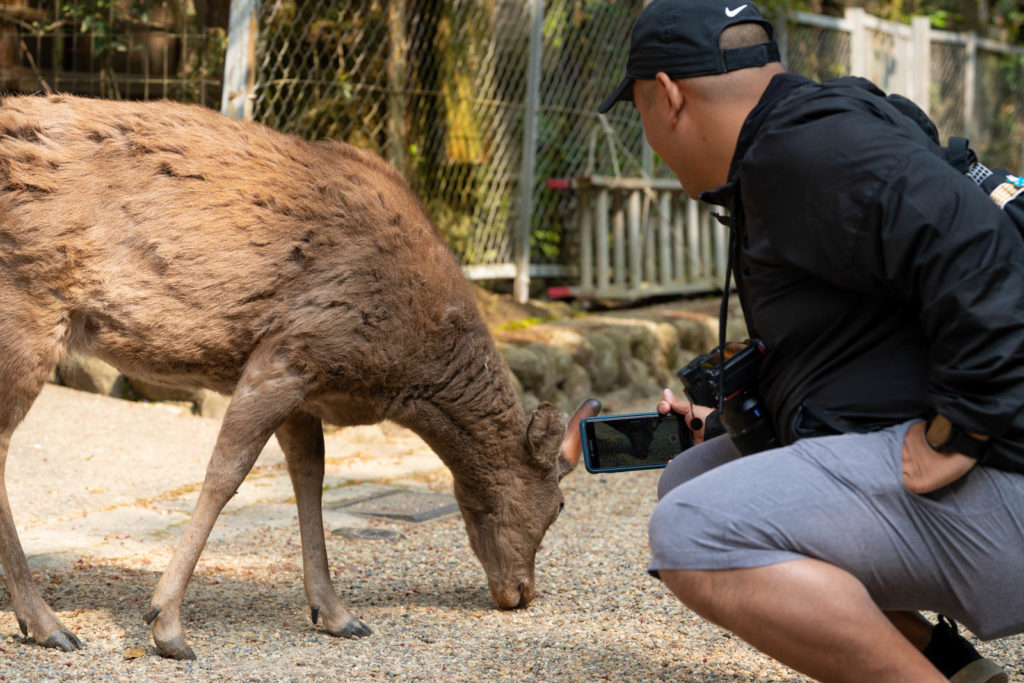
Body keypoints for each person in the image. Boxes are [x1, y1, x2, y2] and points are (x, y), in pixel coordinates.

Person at [597, 1, 1024, 681]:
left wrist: (961, 428)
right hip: (997, 476)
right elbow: (867, 332)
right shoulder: (800, 139)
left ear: (669, 95)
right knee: (694, 475)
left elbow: (981, 246)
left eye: (640, 107)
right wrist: (739, 414)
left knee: (694, 531)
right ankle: (954, 668)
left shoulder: (803, 152)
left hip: (1005, 485)